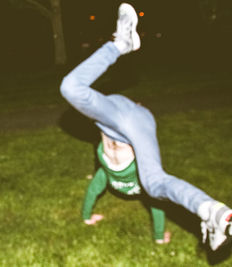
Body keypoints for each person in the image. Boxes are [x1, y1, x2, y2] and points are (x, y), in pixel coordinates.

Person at [60, 2, 232, 250]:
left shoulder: (108, 130)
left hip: (126, 120)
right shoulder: (110, 167)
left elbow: (78, 92)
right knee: (155, 184)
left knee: (71, 88)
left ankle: (121, 43)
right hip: (131, 124)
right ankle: (214, 212)